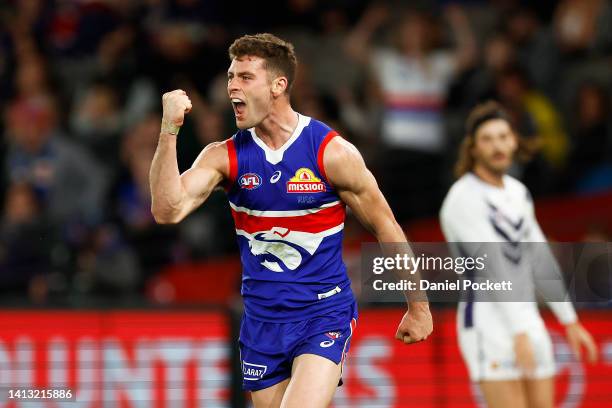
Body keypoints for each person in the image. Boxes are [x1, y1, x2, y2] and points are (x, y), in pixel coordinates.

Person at [149, 33, 432, 408]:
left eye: (246, 77)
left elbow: (386, 227)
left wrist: (419, 307)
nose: (232, 85)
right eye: (231, 76)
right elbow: (167, 209)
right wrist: (169, 131)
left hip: (323, 313)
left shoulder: (331, 152)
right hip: (262, 321)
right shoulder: (223, 157)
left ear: (279, 85)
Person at [439, 101, 598, 408]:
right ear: (473, 148)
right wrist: (518, 331)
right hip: (487, 322)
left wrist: (570, 320)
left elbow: (540, 258)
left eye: (503, 136)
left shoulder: (518, 192)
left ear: (514, 140)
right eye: (487, 139)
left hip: (527, 317)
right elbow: (492, 267)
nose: (497, 146)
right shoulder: (462, 198)